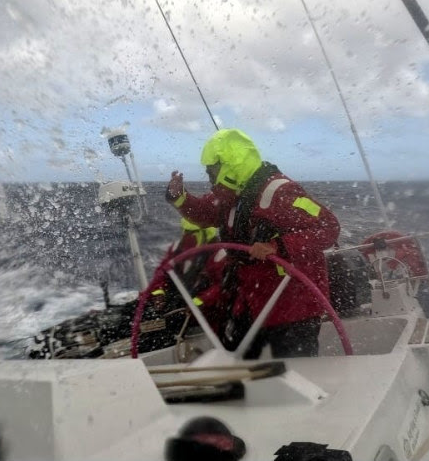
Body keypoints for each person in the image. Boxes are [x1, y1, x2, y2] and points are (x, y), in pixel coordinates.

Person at [165, 128, 340, 358]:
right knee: (245, 366)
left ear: (231, 165)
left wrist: (278, 246)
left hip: (292, 305)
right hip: (252, 301)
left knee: (296, 371)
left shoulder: (281, 192)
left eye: (212, 169)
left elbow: (328, 227)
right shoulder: (231, 195)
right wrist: (180, 198)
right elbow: (205, 212)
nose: (209, 176)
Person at [144, 217, 229, 333]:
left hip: (202, 315)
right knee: (136, 311)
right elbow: (161, 274)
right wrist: (159, 293)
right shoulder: (177, 250)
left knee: (170, 324)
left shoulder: (218, 255)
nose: (189, 236)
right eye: (186, 231)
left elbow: (223, 287)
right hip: (177, 303)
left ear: (205, 233)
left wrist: (199, 302)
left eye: (193, 232)